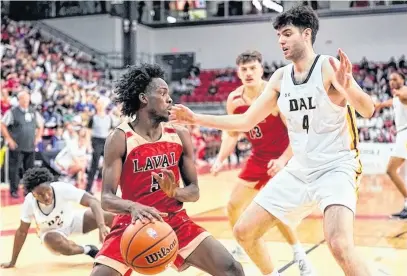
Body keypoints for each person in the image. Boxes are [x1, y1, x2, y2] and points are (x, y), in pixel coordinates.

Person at [170, 5, 375, 276]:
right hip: (300, 170)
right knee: (244, 231)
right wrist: (196, 118)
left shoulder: (328, 66)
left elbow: (368, 109)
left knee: (338, 243)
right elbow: (245, 122)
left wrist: (348, 87)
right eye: (279, 35)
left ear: (306, 34)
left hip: (336, 167)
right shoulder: (280, 78)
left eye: (287, 33)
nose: (281, 40)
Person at [91, 64, 244, 276]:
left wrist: (176, 193)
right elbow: (107, 198)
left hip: (175, 219)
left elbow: (194, 191)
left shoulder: (179, 134)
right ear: (144, 98)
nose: (170, 99)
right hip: (132, 221)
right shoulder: (119, 138)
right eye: (162, 93)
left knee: (232, 269)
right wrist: (133, 207)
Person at [211, 50, 313, 274]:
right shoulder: (234, 100)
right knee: (233, 205)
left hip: (283, 156)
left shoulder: (274, 93)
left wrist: (284, 159)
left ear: (261, 69)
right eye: (244, 69)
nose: (248, 73)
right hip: (258, 157)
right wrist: (220, 158)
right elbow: (233, 133)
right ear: (238, 72)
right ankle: (242, 244)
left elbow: (296, 133)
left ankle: (299, 254)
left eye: (252, 68)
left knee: (278, 210)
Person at [0, 167, 115, 269]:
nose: (46, 197)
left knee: (109, 215)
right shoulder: (29, 202)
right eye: (40, 195)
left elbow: (92, 201)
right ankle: (89, 250)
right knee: (58, 242)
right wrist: (12, 261)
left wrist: (101, 226)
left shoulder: (61, 188)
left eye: (48, 192)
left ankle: (118, 248)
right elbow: (22, 232)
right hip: (51, 233)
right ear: (33, 194)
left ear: (51, 185)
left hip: (72, 220)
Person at [375, 71, 407, 219]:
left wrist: (399, 94)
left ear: (402, 79)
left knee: (390, 170)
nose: (392, 81)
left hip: (405, 134)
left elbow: (404, 96)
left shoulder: (404, 90)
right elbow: (391, 102)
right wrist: (380, 105)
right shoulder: (396, 96)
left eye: (395, 78)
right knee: (403, 175)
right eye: (390, 79)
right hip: (402, 134)